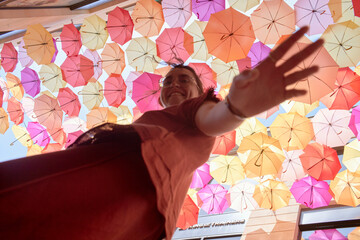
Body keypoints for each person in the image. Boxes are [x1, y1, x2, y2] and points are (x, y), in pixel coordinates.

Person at [0, 26, 323, 240]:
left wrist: (237, 108)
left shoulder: (198, 107)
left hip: (126, 174)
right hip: (144, 212)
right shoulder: (155, 115)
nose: (174, 84)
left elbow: (216, 119)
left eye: (184, 79)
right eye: (169, 82)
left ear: (199, 90)